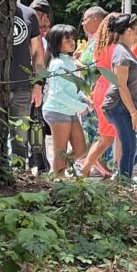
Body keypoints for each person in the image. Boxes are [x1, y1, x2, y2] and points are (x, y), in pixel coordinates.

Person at [101, 12, 137, 182]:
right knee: (129, 146)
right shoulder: (121, 54)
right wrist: (133, 114)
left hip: (134, 106)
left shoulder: (128, 51)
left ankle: (122, 173)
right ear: (129, 31)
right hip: (120, 107)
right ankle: (124, 182)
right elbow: (121, 85)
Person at [77, 12, 122, 178]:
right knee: (111, 136)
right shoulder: (112, 48)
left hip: (99, 90)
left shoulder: (101, 45)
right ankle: (117, 172)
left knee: (106, 137)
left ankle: (86, 169)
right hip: (107, 92)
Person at [42, 24, 88, 175]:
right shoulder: (57, 63)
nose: (72, 41)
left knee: (81, 149)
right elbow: (58, 94)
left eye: (73, 38)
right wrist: (80, 107)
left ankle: (56, 172)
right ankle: (57, 177)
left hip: (68, 110)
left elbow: (72, 88)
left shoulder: (68, 60)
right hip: (57, 110)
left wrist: (84, 99)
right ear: (57, 42)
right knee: (60, 152)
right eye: (67, 39)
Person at [10, 1, 44, 164]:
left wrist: (38, 84)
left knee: (20, 140)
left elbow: (37, 52)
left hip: (22, 87)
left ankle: (18, 174)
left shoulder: (28, 14)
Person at [77, 6, 110, 171]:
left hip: (97, 94)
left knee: (99, 133)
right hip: (90, 95)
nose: (82, 23)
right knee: (92, 133)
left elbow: (97, 68)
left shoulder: (101, 41)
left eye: (85, 19)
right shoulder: (94, 40)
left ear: (95, 20)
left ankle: (101, 167)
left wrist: (77, 64)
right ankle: (95, 167)